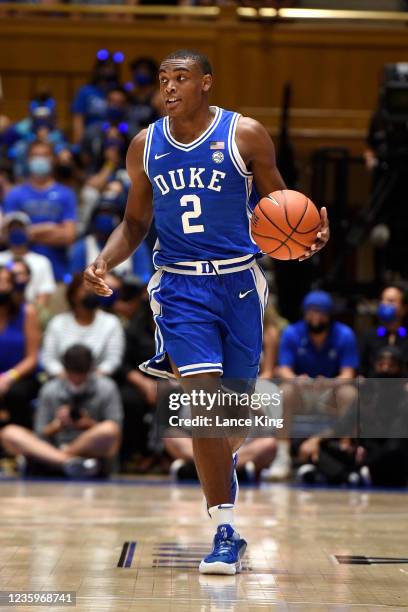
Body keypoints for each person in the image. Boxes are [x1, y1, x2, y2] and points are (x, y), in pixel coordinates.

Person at [84, 49, 329, 575]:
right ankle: (224, 529)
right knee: (203, 404)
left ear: (206, 83)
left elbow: (281, 207)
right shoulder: (143, 146)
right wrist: (103, 259)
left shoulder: (245, 135)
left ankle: (224, 462)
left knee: (227, 421)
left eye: (181, 78)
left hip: (240, 284)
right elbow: (133, 224)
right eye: (164, 80)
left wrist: (307, 237)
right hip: (179, 288)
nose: (169, 87)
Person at [271, 290, 359, 481]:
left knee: (349, 393)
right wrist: (297, 380)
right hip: (302, 392)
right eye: (311, 311)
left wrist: (330, 383)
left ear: (329, 314)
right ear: (304, 313)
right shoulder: (292, 333)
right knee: (284, 391)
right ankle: (282, 456)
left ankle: (345, 451)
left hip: (330, 393)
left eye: (320, 312)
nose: (315, 317)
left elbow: (348, 374)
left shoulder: (344, 334)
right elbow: (283, 369)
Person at [1, 344, 122, 479]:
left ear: (91, 370)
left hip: (90, 449)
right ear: (64, 370)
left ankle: (63, 460)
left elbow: (116, 432)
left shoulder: (107, 388)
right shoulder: (50, 389)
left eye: (81, 376)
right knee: (9, 432)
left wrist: (88, 424)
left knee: (108, 429)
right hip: (53, 446)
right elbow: (39, 433)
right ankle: (70, 463)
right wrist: (57, 425)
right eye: (72, 375)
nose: (76, 381)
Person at [3, 140, 77, 283]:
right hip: (19, 275)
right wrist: (51, 229)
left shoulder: (66, 194)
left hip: (58, 274)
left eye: (45, 155)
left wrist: (27, 233)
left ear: (53, 159)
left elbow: (69, 236)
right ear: (28, 159)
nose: (40, 160)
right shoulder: (15, 194)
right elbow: (10, 236)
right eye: (35, 155)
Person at [42, 273, 124, 378]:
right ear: (73, 295)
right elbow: (49, 358)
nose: (91, 294)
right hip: (62, 380)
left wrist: (92, 378)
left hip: (98, 380)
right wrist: (67, 378)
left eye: (95, 291)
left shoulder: (112, 322)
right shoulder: (57, 323)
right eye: (86, 290)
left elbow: (113, 360)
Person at [0, 265, 41, 429]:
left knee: (15, 393)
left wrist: (9, 377)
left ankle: (19, 446)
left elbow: (32, 358)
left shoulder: (27, 312)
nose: (2, 286)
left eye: (6, 282)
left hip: (19, 376)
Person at [0, 212, 56, 307]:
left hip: (31, 313)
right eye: (11, 229)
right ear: (5, 234)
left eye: (20, 229)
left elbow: (43, 299)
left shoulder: (42, 262)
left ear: (28, 232)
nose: (16, 232)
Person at [359, 285, 408, 377]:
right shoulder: (369, 335)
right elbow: (361, 370)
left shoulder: (405, 334)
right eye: (382, 300)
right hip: (374, 387)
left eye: (391, 301)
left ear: (404, 308)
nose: (384, 304)